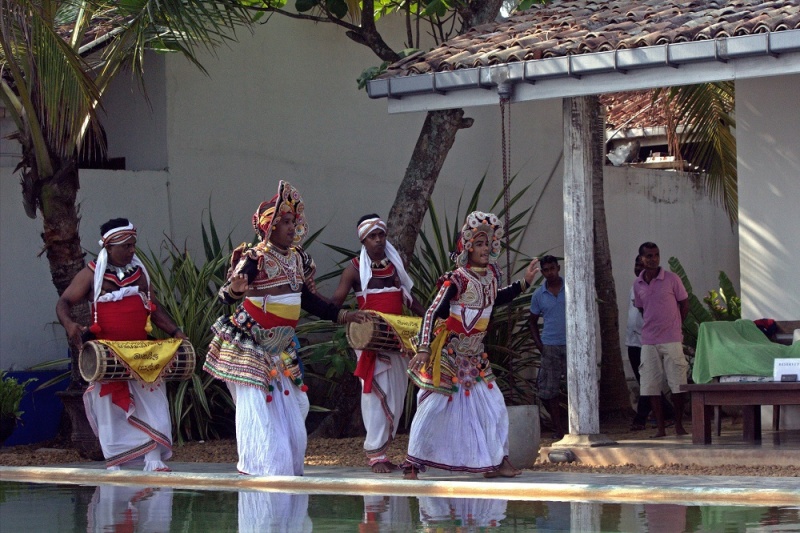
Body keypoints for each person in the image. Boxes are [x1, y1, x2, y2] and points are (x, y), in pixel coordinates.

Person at [203, 180, 366, 476]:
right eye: (286, 222)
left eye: (294, 221)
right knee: (258, 411)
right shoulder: (255, 258)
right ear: (270, 226)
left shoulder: (297, 259)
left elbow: (307, 299)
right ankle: (260, 470)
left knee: (296, 409)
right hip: (251, 344)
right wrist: (236, 290)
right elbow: (226, 295)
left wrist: (342, 316)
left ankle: (283, 475)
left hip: (281, 348)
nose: (292, 227)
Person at [403, 211, 540, 479]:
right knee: (433, 408)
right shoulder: (457, 279)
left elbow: (494, 300)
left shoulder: (490, 276)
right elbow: (432, 311)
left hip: (476, 358)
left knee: (496, 407)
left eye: (488, 243)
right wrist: (423, 348)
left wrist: (524, 284)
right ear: (467, 246)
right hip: (451, 355)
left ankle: (498, 461)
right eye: (479, 243)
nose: (485, 248)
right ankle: (412, 462)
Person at [56, 218, 187, 471]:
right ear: (110, 246)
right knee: (110, 409)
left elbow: (153, 308)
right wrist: (70, 325)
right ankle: (116, 462)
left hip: (141, 352)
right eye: (126, 245)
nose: (132, 250)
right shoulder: (91, 274)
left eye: (133, 245)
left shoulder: (140, 275)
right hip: (108, 353)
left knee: (153, 400)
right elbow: (63, 302)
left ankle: (153, 458)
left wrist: (176, 331)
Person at [327, 214, 425, 473]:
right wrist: (311, 297)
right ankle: (375, 455)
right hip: (371, 343)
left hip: (397, 341)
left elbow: (408, 298)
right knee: (374, 398)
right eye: (373, 236)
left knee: (395, 398)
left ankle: (384, 451)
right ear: (363, 240)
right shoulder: (353, 270)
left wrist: (429, 319)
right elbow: (335, 303)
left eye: (381, 234)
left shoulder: (394, 265)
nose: (379, 240)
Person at [633, 242, 689, 438]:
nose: (653, 258)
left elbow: (684, 303)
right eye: (649, 255)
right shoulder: (637, 283)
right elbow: (641, 308)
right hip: (648, 340)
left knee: (678, 382)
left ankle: (679, 425)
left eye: (656, 254)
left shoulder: (672, 279)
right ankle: (661, 429)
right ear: (641, 258)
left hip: (671, 338)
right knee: (651, 384)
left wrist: (676, 325)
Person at [626, 255, 674, 431]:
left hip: (647, 341)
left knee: (647, 381)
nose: (639, 268)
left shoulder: (656, 287)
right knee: (645, 382)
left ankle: (641, 418)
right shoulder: (635, 286)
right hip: (632, 340)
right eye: (636, 264)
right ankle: (668, 413)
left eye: (642, 264)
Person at [528, 255, 567, 440]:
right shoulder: (538, 295)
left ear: (558, 268)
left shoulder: (570, 287)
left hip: (571, 346)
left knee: (574, 387)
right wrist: (540, 345)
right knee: (547, 392)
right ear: (542, 272)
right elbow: (532, 322)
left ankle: (574, 426)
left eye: (552, 268)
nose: (550, 273)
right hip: (550, 346)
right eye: (546, 270)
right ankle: (559, 429)